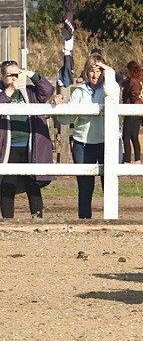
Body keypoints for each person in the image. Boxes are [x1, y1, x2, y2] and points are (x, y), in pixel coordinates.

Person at [0, 61, 65, 219]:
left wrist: (30, 74)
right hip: (9, 146)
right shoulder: (2, 93)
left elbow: (47, 91)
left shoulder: (29, 92)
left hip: (30, 145)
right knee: (7, 185)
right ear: (2, 77)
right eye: (10, 75)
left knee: (33, 184)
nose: (15, 78)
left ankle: (37, 218)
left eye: (17, 74)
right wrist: (10, 90)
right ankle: (8, 221)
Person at [64, 54, 118, 219]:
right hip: (83, 143)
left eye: (99, 71)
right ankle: (84, 220)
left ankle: (110, 219)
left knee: (108, 184)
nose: (95, 75)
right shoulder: (79, 91)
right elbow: (66, 119)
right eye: (92, 71)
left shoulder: (111, 86)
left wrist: (110, 72)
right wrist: (59, 105)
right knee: (85, 186)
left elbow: (111, 94)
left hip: (106, 142)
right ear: (86, 72)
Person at [121, 61, 143, 164]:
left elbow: (132, 94)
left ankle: (127, 160)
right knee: (134, 136)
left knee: (126, 136)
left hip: (132, 109)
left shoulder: (132, 81)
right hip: (141, 109)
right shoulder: (142, 80)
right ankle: (137, 159)